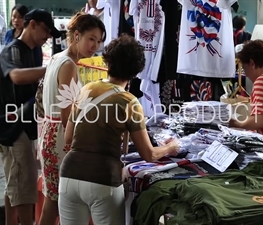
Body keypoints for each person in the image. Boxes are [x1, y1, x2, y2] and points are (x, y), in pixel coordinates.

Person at [58, 34, 180, 225]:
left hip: (69, 175)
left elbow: (68, 138)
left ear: (107, 61)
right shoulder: (129, 101)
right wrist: (170, 148)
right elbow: (149, 154)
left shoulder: (86, 89)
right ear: (137, 70)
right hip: (103, 178)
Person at [38, 12, 106, 225]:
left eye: (98, 41)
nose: (94, 46)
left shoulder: (58, 58)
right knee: (58, 202)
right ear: (77, 36)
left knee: (54, 200)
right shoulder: (68, 65)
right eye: (91, 39)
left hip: (50, 131)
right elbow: (67, 116)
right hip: (60, 137)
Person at [0, 9, 60, 225]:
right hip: (13, 127)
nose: (48, 36)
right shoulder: (11, 50)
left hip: (27, 125)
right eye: (46, 30)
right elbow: (16, 76)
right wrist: (51, 69)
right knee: (23, 186)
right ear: (32, 24)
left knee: (15, 183)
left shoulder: (35, 51)